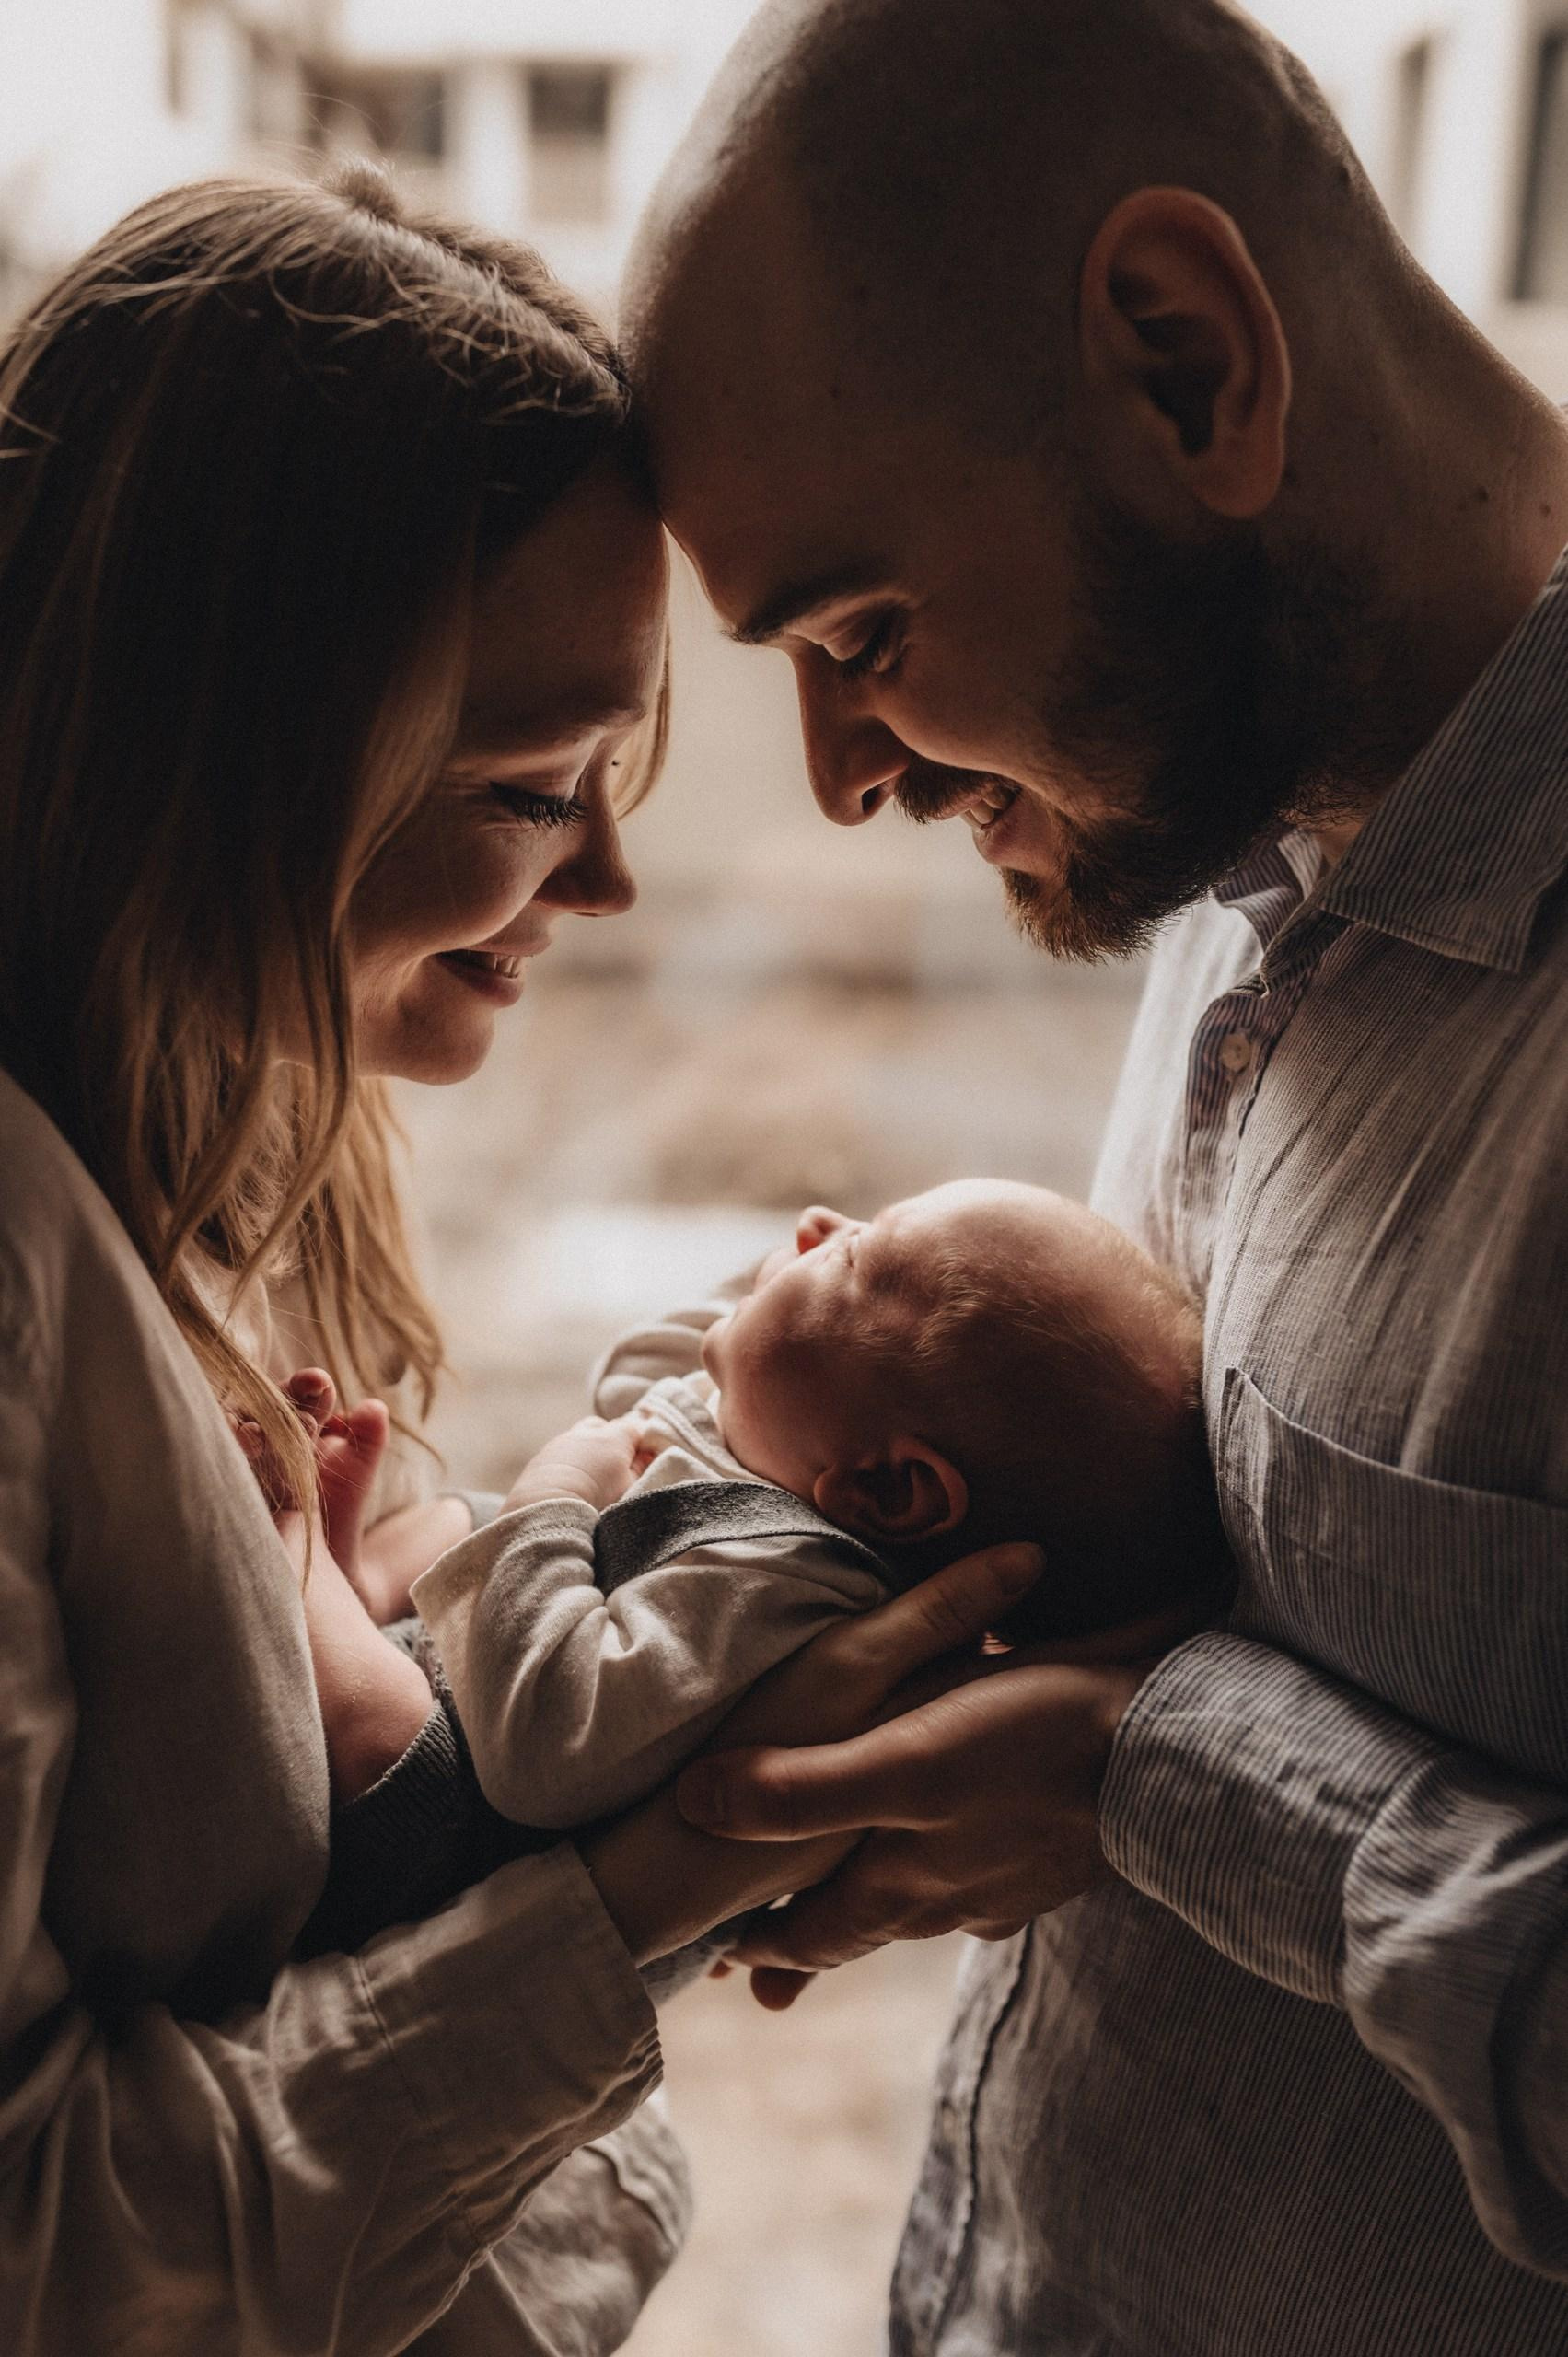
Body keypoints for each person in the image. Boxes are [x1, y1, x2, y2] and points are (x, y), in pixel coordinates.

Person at [0, 164, 1040, 2355]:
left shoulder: (238, 1157)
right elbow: (42, 2248)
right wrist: (666, 1860)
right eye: (532, 782)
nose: (615, 885)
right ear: (234, 753)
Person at [621, 1, 1568, 2351]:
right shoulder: (1235, 846)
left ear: (1181, 363)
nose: (837, 776)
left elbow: (1181, 1746)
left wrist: (1162, 1779)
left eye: (857, 634)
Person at [264, 1180, 1218, 1898]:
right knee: (444, 1528)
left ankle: (294, 1560)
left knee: (426, 1659)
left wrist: (546, 1501)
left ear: (887, 1486)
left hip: (432, 1837)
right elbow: (639, 1371)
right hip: (465, 1684)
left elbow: (539, 1747)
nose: (812, 1221)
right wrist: (787, 1316)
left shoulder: (772, 1579)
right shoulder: (787, 1468)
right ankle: (351, 1590)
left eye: (849, 1257)